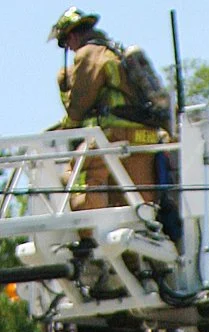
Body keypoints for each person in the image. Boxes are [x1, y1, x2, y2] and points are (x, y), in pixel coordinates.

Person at [49, 10, 165, 212]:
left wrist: (64, 86)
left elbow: (77, 110)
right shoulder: (114, 53)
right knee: (141, 206)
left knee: (77, 178)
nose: (69, 48)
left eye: (66, 43)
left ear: (73, 36)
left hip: (113, 137)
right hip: (143, 141)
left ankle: (88, 237)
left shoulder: (88, 54)